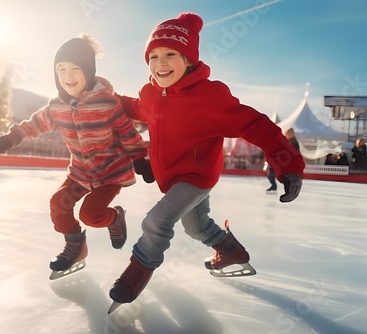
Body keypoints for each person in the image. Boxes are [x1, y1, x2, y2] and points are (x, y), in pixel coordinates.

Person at [108, 13, 305, 308]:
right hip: (172, 178)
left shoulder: (210, 97)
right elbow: (137, 109)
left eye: (170, 54)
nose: (160, 63)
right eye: (153, 56)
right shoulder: (150, 94)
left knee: (157, 220)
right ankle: (231, 251)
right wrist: (105, 98)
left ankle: (137, 271)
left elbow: (255, 125)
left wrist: (288, 165)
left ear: (188, 59)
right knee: (196, 227)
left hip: (197, 177)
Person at [0, 34, 149, 278]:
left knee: (90, 215)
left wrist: (139, 159)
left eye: (75, 68)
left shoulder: (108, 103)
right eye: (61, 69)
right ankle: (75, 244)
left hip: (111, 172)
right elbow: (35, 124)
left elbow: (127, 133)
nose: (68, 76)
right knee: (58, 205)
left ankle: (115, 218)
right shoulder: (56, 106)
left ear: (89, 71)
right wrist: (11, 138)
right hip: (81, 173)